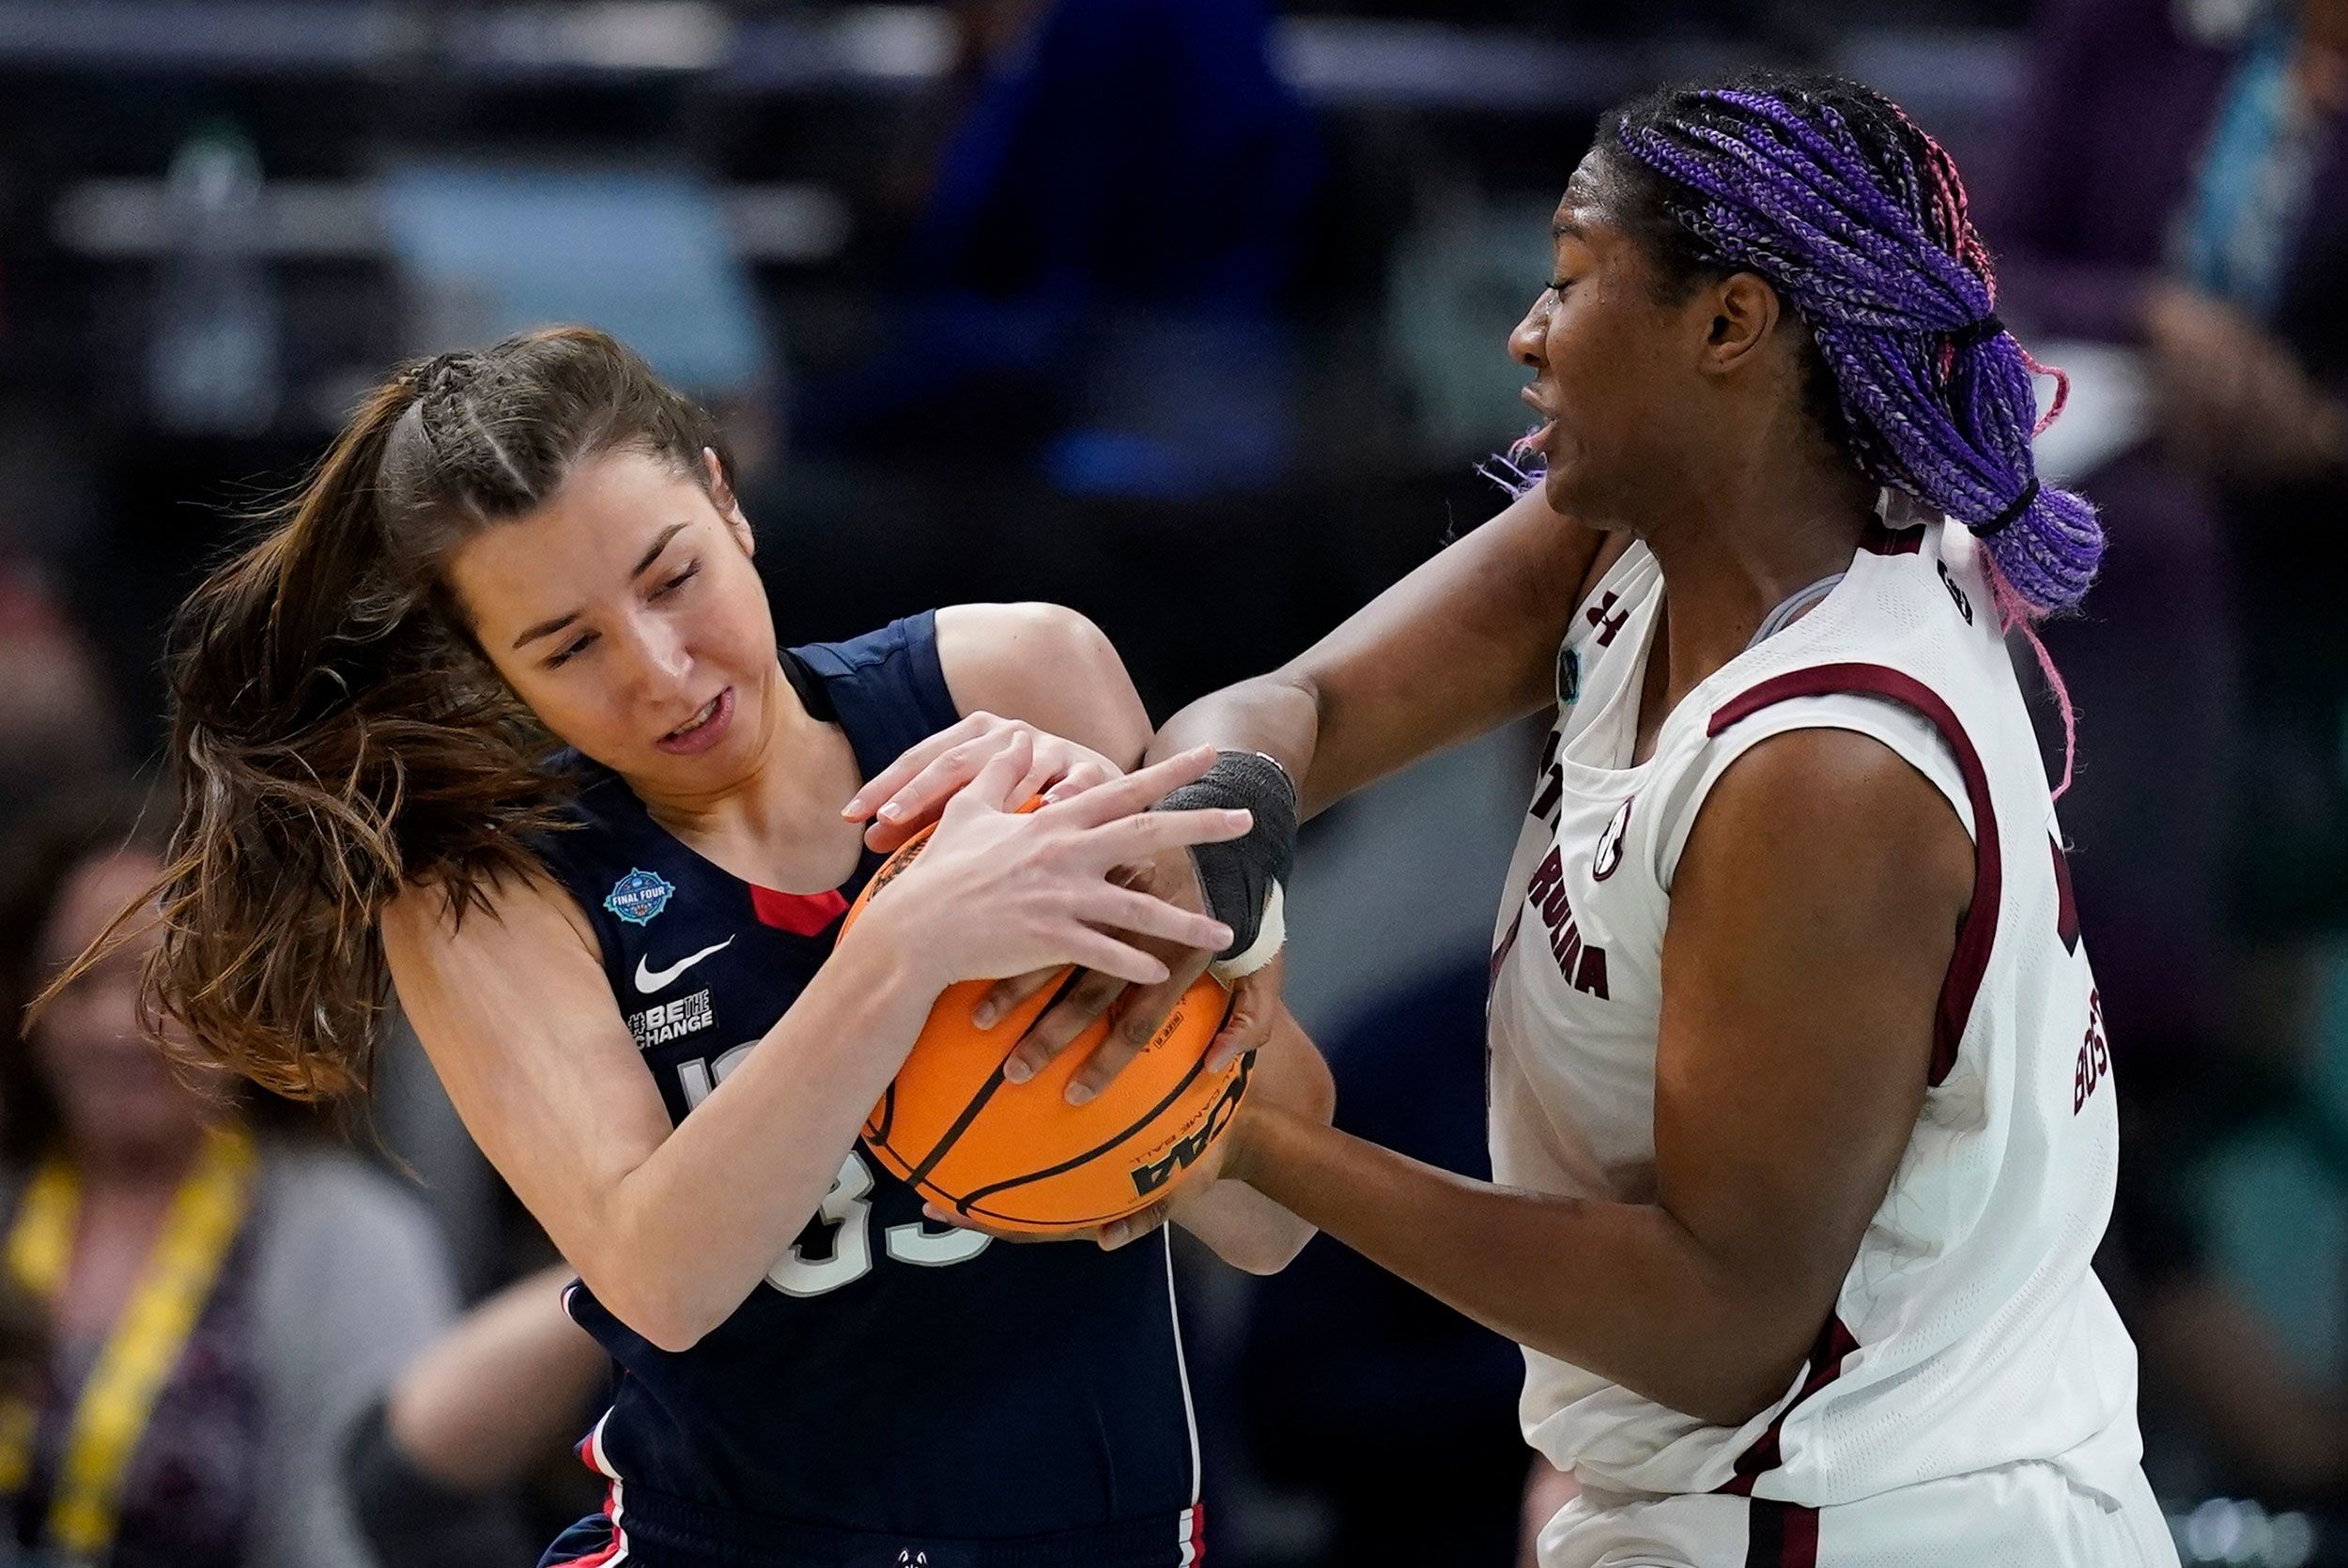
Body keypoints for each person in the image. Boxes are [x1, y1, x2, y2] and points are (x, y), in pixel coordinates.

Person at [855, 73, 2177, 1565]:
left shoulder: (1824, 771)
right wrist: (1217, 844)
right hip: (1760, 1492)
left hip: (1864, 1514)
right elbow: (1306, 707)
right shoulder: (1667, 530)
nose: (1523, 334)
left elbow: (1718, 1325)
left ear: (1730, 326)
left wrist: (1228, 1138)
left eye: (1566, 283)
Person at [48, 327, 1333, 1568]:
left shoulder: (1020, 678)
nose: (661, 671)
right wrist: (903, 947)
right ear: (493, 666)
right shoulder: (484, 890)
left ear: (729, 500)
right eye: (567, 646)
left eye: (672, 578)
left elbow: (1273, 1215)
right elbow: (662, 1278)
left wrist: (1207, 908)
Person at [2, 792, 457, 1567]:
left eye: (164, 985)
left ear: (254, 1005)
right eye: (79, 984)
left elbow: (358, 1532)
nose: (118, 1026)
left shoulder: (355, 1244)